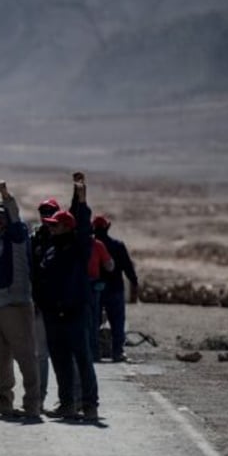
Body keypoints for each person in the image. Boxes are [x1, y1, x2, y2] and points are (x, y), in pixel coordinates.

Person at [35, 172, 99, 422]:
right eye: (48, 224)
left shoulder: (78, 247)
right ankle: (67, 403)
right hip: (53, 314)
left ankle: (90, 404)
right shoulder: (50, 249)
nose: (49, 227)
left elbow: (81, 224)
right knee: (60, 360)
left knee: (82, 359)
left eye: (54, 224)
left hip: (75, 312)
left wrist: (80, 199)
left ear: (66, 227)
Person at [0, 181, 41, 419]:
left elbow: (15, 217)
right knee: (1, 356)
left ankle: (32, 403)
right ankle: (4, 399)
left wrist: (5, 195)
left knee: (25, 354)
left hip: (14, 304)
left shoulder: (17, 236)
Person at [92, 215, 139, 362]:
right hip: (115, 289)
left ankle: (94, 353)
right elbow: (127, 266)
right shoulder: (117, 246)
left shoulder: (90, 245)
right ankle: (117, 352)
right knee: (117, 322)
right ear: (107, 227)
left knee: (93, 321)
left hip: (95, 289)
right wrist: (134, 282)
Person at [28, 198, 59, 410]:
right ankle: (38, 397)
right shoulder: (36, 238)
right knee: (40, 354)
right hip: (39, 303)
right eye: (43, 212)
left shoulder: (64, 238)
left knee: (64, 352)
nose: (46, 216)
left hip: (60, 304)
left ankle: (71, 398)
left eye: (50, 212)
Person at [86, 232, 115, 362]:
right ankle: (94, 353)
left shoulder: (73, 243)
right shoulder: (97, 245)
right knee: (93, 320)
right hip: (92, 286)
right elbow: (109, 266)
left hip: (77, 285)